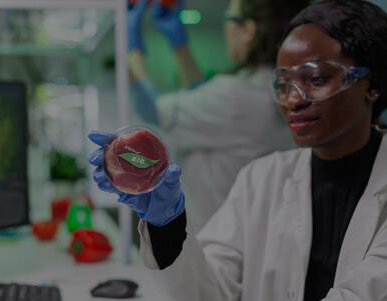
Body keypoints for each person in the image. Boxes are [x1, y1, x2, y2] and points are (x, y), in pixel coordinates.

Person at [89, 0, 387, 301]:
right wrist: (167, 226)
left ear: (371, 85)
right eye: (283, 84)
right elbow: (207, 295)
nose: (293, 101)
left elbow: (360, 300)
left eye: (317, 79)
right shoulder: (260, 179)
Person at [125, 0, 309, 231]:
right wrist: (178, 43)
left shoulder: (235, 95)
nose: (226, 28)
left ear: (249, 31)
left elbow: (151, 108)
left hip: (214, 240)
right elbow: (203, 102)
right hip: (251, 233)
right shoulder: (278, 88)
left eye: (229, 19)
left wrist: (130, 47)